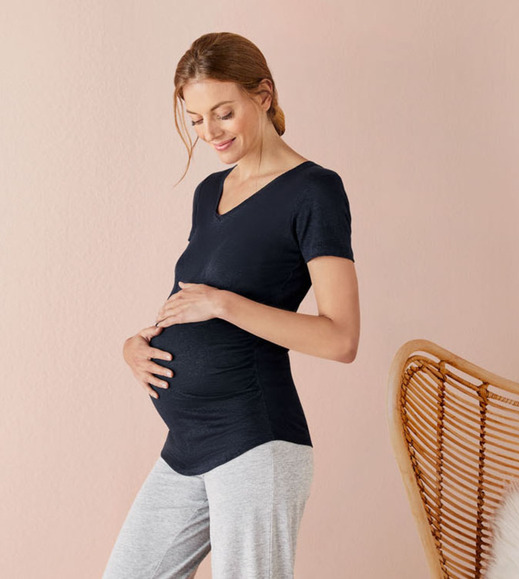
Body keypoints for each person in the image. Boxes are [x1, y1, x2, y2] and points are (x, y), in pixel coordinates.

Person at [102, 31, 360, 579]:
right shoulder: (209, 193)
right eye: (196, 119)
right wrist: (136, 345)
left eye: (223, 113)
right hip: (187, 442)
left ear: (263, 95)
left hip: (254, 442)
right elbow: (190, 302)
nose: (209, 133)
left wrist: (225, 305)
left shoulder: (314, 191)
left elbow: (341, 338)